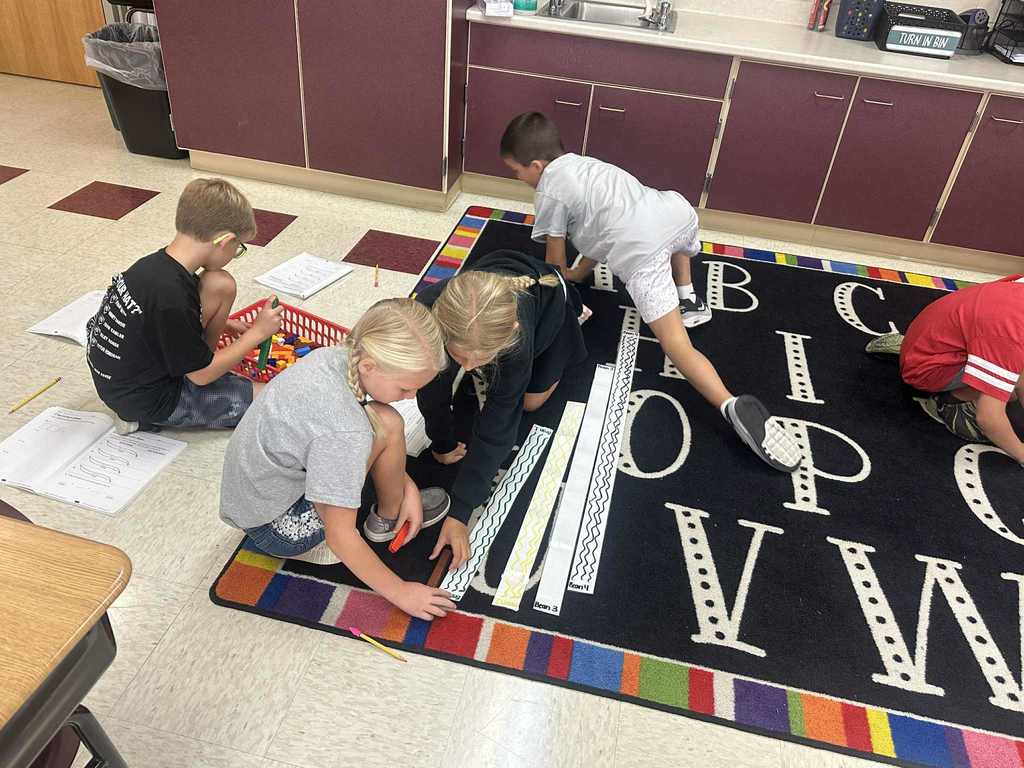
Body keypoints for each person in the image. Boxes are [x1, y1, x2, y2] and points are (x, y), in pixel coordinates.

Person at [499, 112, 801, 473]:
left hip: (642, 250)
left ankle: (729, 404)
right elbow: (601, 229)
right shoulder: (584, 164)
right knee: (669, 237)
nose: (520, 179)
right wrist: (581, 272)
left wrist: (562, 295)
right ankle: (687, 294)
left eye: (517, 172)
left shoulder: (549, 188)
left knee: (676, 345)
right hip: (675, 212)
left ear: (536, 166)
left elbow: (553, 258)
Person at [219, 298, 457, 621]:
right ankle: (363, 528)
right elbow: (340, 536)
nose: (411, 397)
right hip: (276, 527)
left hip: (254, 496)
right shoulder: (345, 430)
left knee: (387, 421)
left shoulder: (335, 357)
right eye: (405, 389)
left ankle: (388, 514)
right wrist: (402, 592)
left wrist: (406, 483)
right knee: (383, 425)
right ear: (370, 367)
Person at [415, 250, 588, 568]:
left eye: (479, 359)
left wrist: (461, 511)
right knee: (439, 371)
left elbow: (500, 421)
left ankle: (573, 304)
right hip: (488, 284)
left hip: (550, 302)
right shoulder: (426, 311)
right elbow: (429, 385)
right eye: (461, 356)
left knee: (530, 402)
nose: (467, 368)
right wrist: (441, 441)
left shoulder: (518, 339)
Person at [86, 178, 283, 434]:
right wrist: (258, 333)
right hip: (147, 400)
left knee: (220, 283)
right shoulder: (171, 296)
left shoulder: (158, 266)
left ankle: (204, 361)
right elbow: (199, 376)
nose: (234, 255)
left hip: (123, 378)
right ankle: (145, 419)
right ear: (225, 241)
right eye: (238, 248)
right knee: (272, 397)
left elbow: (159, 325)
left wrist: (225, 323)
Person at [866, 275, 1024, 464]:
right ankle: (949, 403)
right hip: (927, 369)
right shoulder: (1011, 335)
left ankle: (909, 348)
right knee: (1011, 384)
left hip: (933, 336)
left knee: (1012, 372)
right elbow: (988, 417)